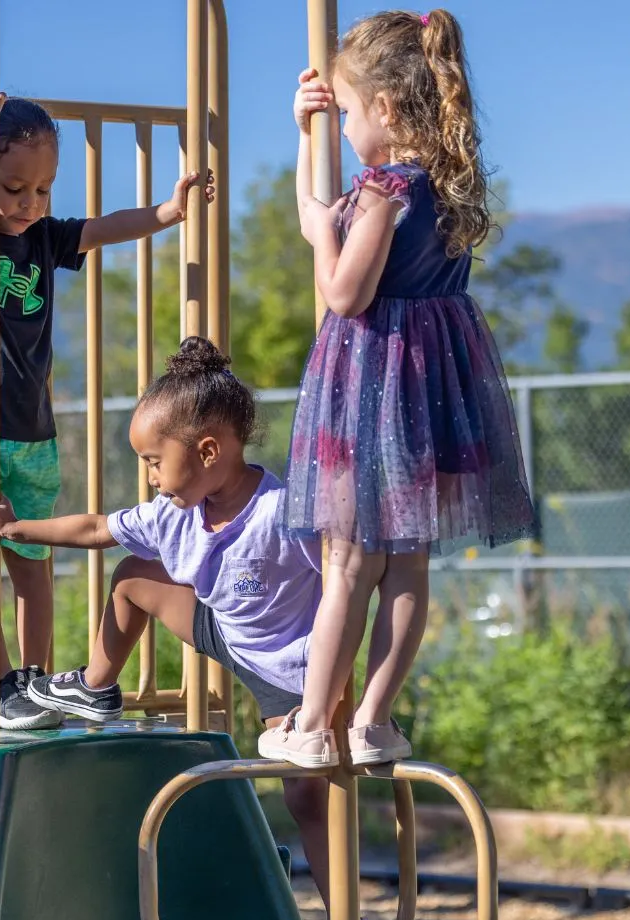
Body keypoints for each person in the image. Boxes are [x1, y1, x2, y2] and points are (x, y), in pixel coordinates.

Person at [0, 337, 400, 920]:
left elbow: (345, 588)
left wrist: (334, 695)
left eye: (154, 460)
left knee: (312, 795)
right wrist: (17, 529)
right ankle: (95, 683)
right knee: (130, 578)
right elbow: (94, 528)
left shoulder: (283, 511)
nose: (148, 475)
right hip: (226, 632)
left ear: (207, 451)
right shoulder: (173, 513)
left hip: (298, 672)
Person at [261, 9, 535, 770]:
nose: (342, 128)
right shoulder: (448, 184)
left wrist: (325, 239)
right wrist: (303, 131)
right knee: (408, 564)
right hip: (433, 394)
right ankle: (374, 721)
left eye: (346, 114)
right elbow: (314, 206)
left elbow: (345, 293)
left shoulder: (384, 190)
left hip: (373, 385)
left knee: (348, 564)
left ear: (384, 109)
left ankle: (312, 724)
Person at [0, 75, 215, 728]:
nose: (29, 202)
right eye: (14, 188)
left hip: (31, 428)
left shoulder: (44, 239)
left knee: (32, 560)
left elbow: (102, 228)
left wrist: (167, 214)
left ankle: (35, 683)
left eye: (43, 188)